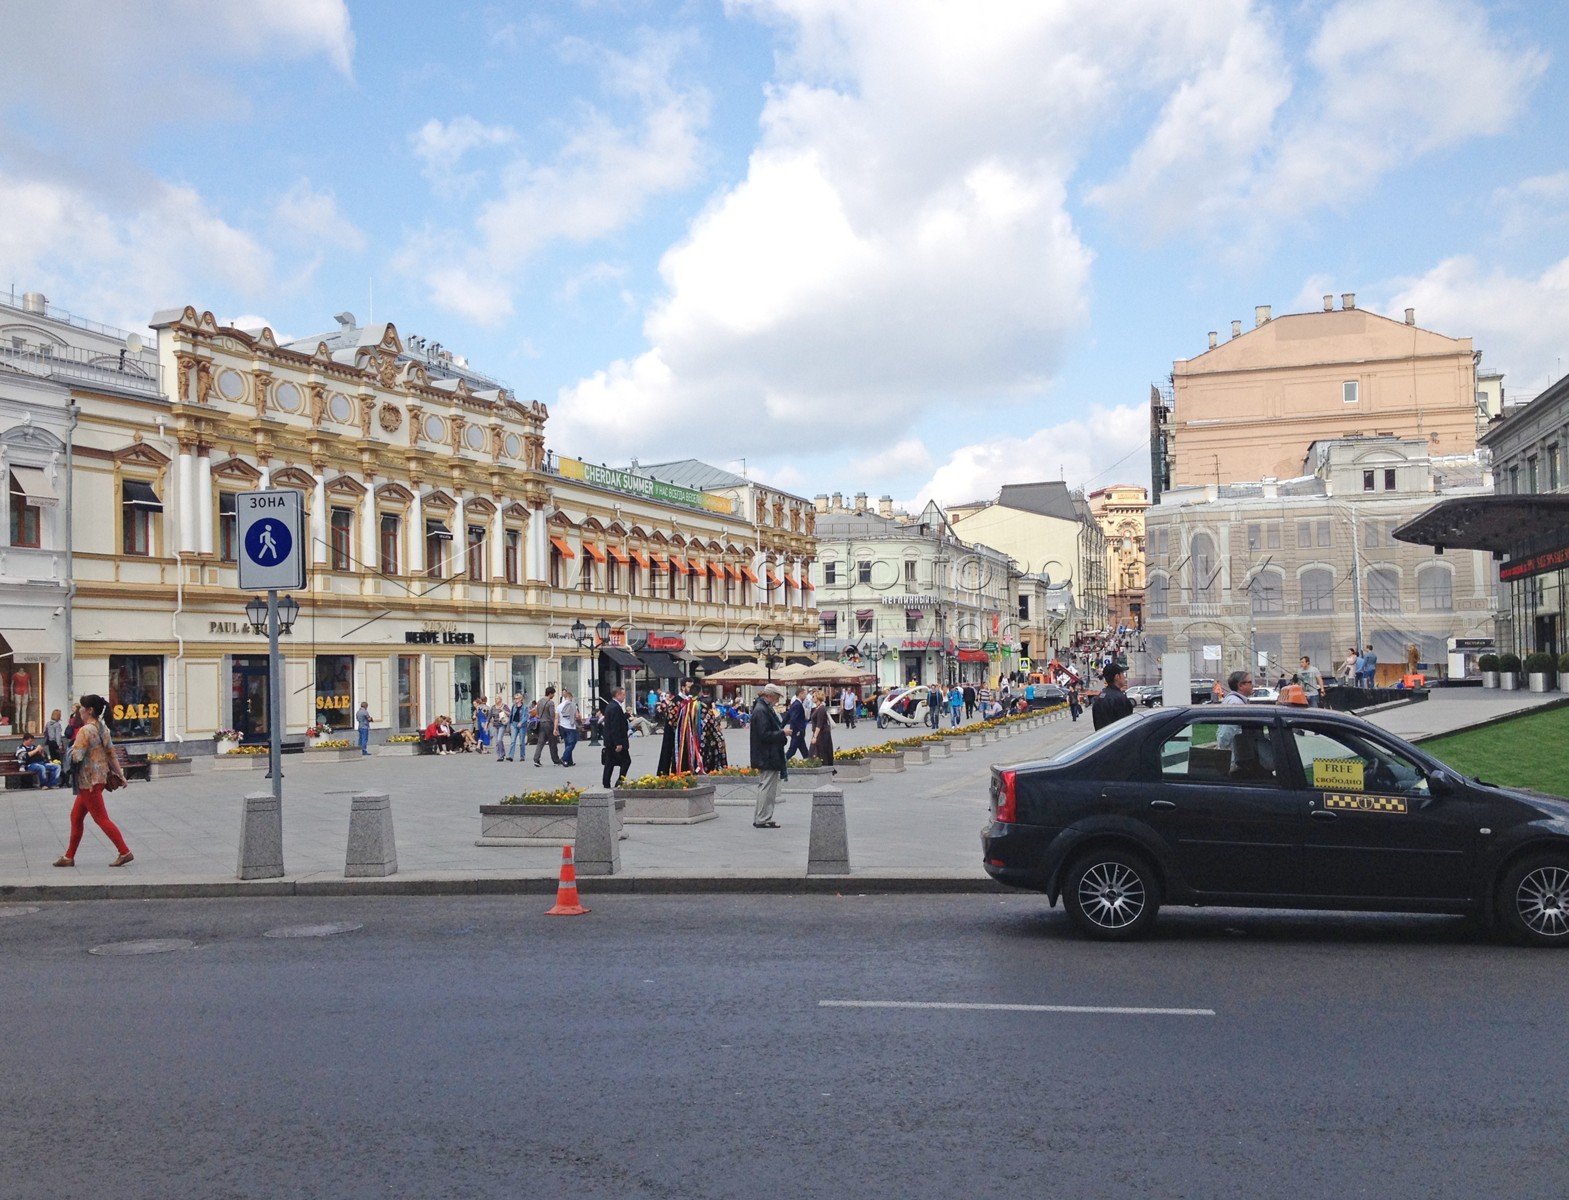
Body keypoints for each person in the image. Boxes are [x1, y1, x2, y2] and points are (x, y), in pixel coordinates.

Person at [54, 694, 133, 867]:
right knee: (76, 817)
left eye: (82, 707)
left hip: (88, 781)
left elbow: (77, 756)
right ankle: (69, 857)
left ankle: (124, 851)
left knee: (101, 818)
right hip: (99, 779)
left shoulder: (85, 730)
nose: (80, 710)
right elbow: (111, 753)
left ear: (89, 710)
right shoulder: (103, 728)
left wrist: (69, 750)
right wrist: (121, 774)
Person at [749, 682, 787, 828]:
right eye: (777, 698)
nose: (777, 701)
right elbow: (764, 734)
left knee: (767, 787)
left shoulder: (763, 708)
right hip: (767, 754)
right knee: (766, 786)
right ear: (770, 696)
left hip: (767, 754)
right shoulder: (762, 710)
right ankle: (762, 818)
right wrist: (782, 733)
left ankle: (763, 816)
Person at [600, 686, 631, 789]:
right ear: (617, 695)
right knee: (626, 761)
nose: (624, 696)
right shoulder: (615, 707)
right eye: (623, 694)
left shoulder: (610, 706)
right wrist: (618, 743)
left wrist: (625, 716)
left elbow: (616, 721)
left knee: (610, 763)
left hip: (610, 741)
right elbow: (615, 726)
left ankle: (606, 784)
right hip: (616, 741)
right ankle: (620, 782)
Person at [1090, 664, 1134, 731]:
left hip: (1103, 738)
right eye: (1122, 674)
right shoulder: (1120, 699)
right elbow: (1126, 726)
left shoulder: (1099, 698)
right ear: (1117, 677)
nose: (1124, 677)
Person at [533, 685, 562, 766]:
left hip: (541, 723)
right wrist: (556, 726)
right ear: (550, 694)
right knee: (553, 742)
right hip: (549, 724)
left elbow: (538, 713)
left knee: (540, 742)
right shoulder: (550, 703)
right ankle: (556, 760)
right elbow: (552, 716)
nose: (553, 696)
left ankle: (536, 759)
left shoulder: (539, 701)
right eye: (553, 694)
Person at [809, 688, 835, 768]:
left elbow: (819, 724)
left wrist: (815, 737)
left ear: (818, 697)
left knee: (821, 751)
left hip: (822, 733)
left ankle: (825, 767)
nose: (812, 697)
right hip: (819, 733)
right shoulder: (816, 708)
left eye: (814, 696)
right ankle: (819, 766)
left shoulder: (821, 708)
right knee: (816, 751)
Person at [785, 688, 810, 760]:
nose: (806, 696)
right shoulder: (797, 704)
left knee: (803, 749)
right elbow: (793, 718)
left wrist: (781, 726)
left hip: (798, 730)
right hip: (797, 731)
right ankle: (781, 762)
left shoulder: (795, 704)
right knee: (792, 750)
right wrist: (800, 729)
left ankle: (808, 760)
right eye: (805, 694)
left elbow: (787, 716)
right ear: (800, 694)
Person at [558, 689, 579, 767]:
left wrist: (555, 728)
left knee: (567, 743)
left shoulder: (559, 706)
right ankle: (564, 758)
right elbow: (577, 716)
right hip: (570, 727)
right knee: (572, 743)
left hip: (562, 726)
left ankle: (569, 761)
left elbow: (556, 718)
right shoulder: (573, 705)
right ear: (570, 697)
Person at [506, 691, 528, 761]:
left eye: (517, 698)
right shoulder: (514, 706)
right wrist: (509, 726)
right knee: (512, 741)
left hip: (522, 725)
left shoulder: (525, 707)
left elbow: (526, 716)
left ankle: (522, 756)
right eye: (515, 698)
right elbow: (511, 716)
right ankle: (510, 756)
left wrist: (521, 722)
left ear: (521, 699)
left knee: (521, 742)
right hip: (514, 724)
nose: (515, 700)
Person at [492, 694, 512, 762]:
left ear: (500, 699)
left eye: (497, 698)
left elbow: (510, 714)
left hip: (502, 725)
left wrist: (503, 710)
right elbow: (489, 716)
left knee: (499, 739)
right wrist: (486, 724)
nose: (496, 700)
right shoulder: (493, 707)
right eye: (495, 698)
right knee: (497, 741)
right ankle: (501, 755)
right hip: (495, 725)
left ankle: (501, 755)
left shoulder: (504, 706)